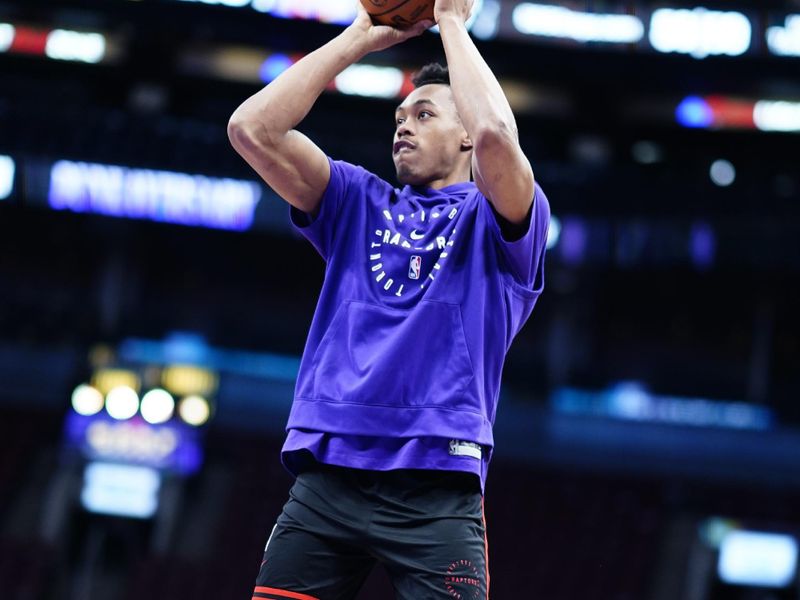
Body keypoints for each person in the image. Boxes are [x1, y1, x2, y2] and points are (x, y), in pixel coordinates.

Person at [227, 0, 549, 598]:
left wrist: (451, 22)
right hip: (328, 477)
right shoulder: (355, 199)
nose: (403, 125)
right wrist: (356, 38)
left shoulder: (498, 219)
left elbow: (499, 137)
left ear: (463, 140)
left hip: (439, 488)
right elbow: (252, 130)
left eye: (424, 115)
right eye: (399, 115)